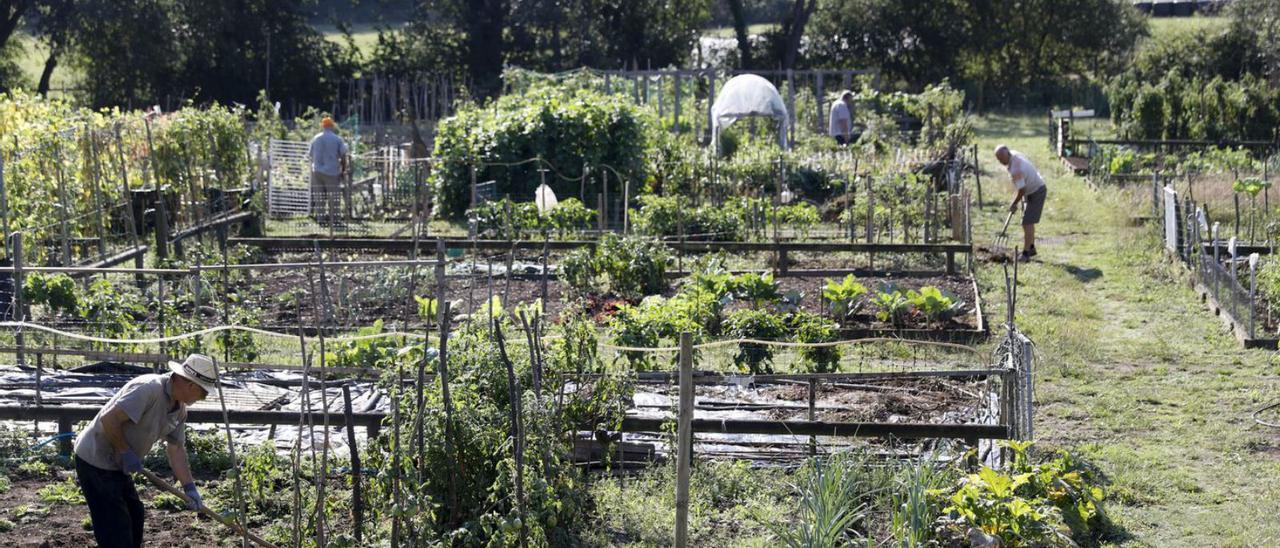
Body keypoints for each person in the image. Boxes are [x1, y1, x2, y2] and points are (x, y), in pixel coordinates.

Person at [73, 354, 219, 548]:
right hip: (96, 459)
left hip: (119, 464)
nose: (203, 397)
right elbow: (109, 420)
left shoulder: (179, 410)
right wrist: (125, 451)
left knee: (135, 517)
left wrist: (189, 488)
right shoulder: (149, 389)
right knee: (114, 526)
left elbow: (175, 449)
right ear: (191, 385)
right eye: (203, 392)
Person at [995, 144, 1047, 262]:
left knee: (1027, 223)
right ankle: (1031, 247)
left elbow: (1021, 189)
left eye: (1000, 159)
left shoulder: (1016, 170)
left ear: (1007, 154)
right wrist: (1017, 201)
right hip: (1032, 188)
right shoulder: (1014, 154)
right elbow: (1022, 188)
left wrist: (1014, 203)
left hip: (1036, 191)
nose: (1000, 162)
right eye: (998, 159)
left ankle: (1025, 253)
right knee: (1027, 222)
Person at [309, 117, 350, 225]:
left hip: (317, 171)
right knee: (334, 197)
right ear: (332, 126)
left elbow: (310, 155)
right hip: (331, 172)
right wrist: (343, 170)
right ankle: (335, 220)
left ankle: (321, 220)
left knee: (319, 197)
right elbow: (343, 156)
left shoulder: (316, 138)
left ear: (323, 126)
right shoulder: (337, 139)